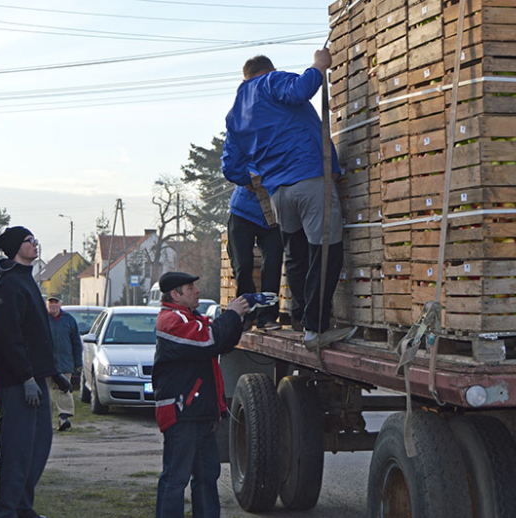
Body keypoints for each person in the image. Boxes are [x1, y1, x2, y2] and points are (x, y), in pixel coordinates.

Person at [222, 50, 355, 347]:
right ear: (268, 70)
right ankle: (315, 329)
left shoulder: (235, 113)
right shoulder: (270, 82)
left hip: (278, 194)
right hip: (309, 179)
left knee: (296, 255)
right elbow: (301, 90)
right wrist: (319, 65)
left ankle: (302, 320)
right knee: (326, 251)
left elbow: (230, 167)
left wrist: (259, 180)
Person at [152, 271, 250, 518]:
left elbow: (222, 342)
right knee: (176, 478)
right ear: (175, 294)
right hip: (182, 412)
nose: (197, 290)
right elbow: (207, 340)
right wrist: (230, 315)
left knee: (207, 476)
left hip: (200, 412)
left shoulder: (191, 318)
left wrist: (238, 319)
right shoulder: (170, 320)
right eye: (190, 287)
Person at [0, 226, 57, 518]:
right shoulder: (9, 286)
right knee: (17, 451)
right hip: (19, 383)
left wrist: (52, 372)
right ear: (17, 247)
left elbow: (37, 333)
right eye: (29, 241)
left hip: (36, 378)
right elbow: (9, 337)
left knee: (39, 446)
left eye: (35, 240)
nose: (35, 244)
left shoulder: (27, 281)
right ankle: (5, 511)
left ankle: (22, 507)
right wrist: (26, 377)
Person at [225, 173, 284, 331]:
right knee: (242, 265)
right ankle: (247, 314)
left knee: (273, 263)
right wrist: (245, 178)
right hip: (242, 212)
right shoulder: (249, 147)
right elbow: (231, 166)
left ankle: (267, 316)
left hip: (273, 216)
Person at [45, 295, 82, 432]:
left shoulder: (69, 320)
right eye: (50, 302)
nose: (53, 305)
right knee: (45, 392)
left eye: (55, 302)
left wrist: (78, 363)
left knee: (64, 390)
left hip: (65, 362)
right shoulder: (41, 319)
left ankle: (63, 417)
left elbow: (76, 343)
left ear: (60, 304)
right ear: (47, 304)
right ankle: (46, 420)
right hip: (46, 363)